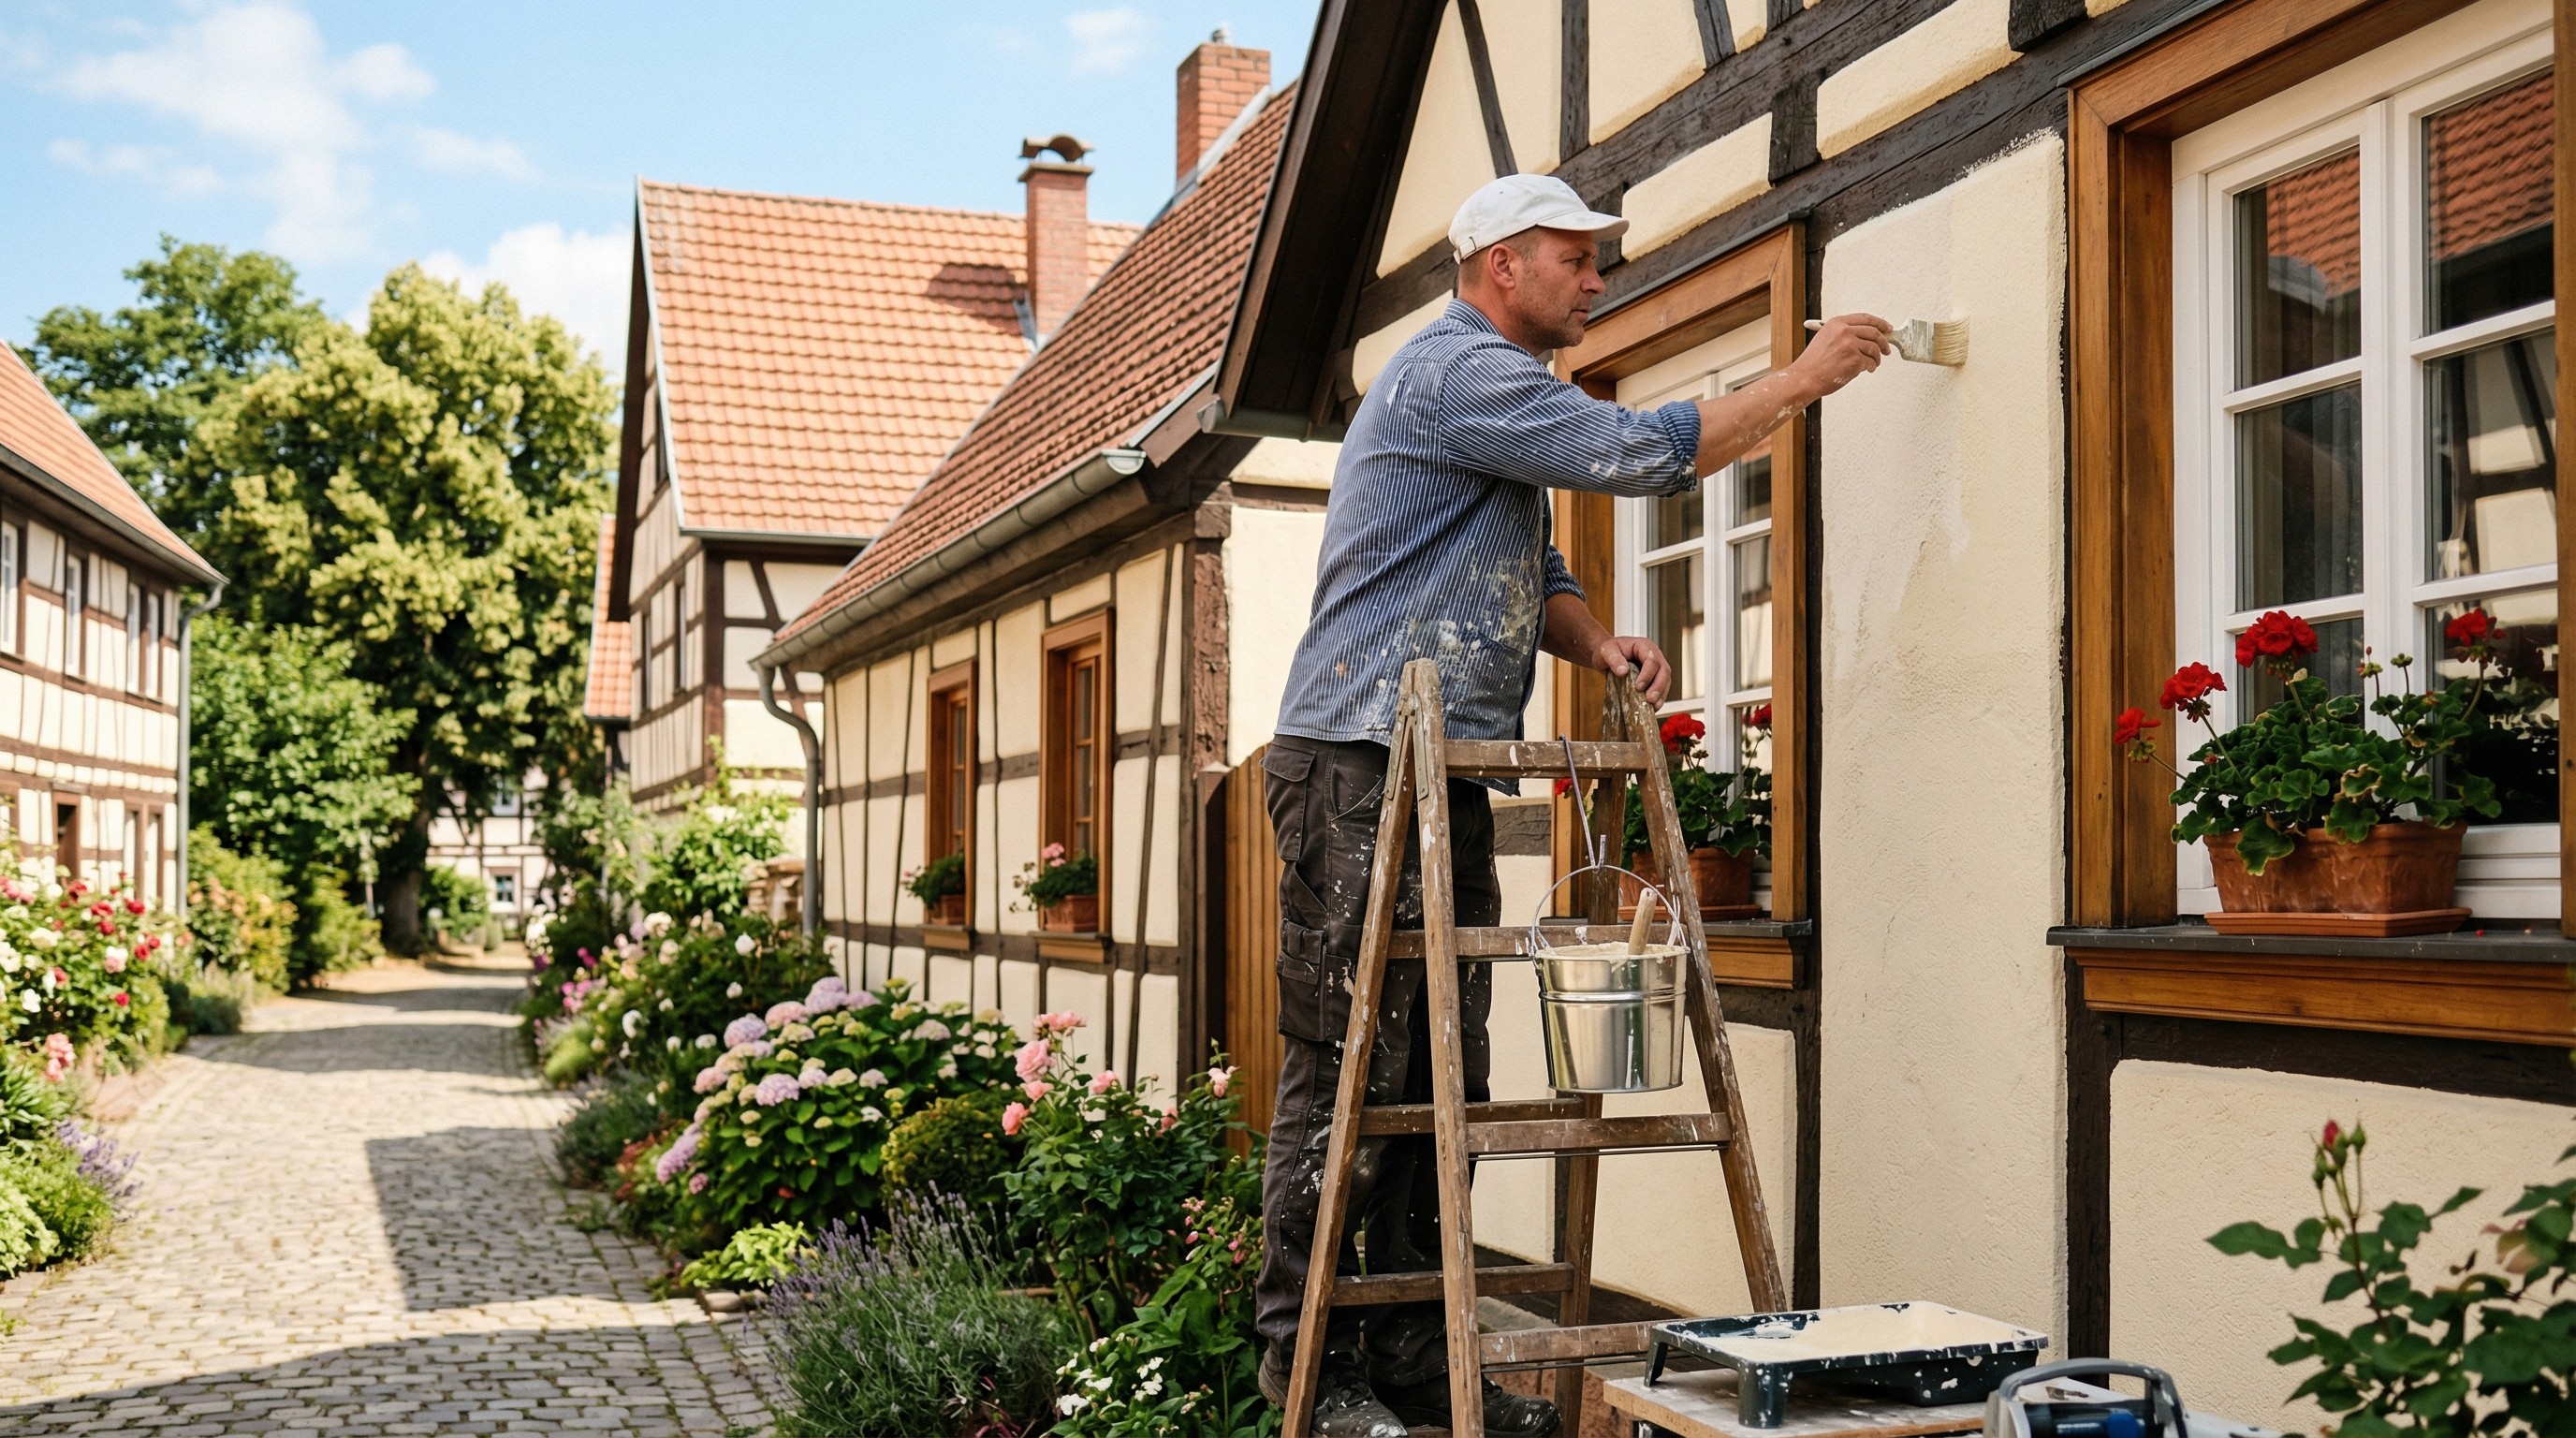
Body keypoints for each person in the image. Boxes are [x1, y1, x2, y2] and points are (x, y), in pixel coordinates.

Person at [1253, 171, 1892, 1438]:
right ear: (1502, 265)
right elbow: (1637, 453)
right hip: (1358, 764)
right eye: (1576, 260)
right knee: (1350, 1070)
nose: (1596, 283)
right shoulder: (1458, 372)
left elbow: (1529, 564)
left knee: (1440, 1072)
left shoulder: (1487, 401)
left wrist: (1594, 642)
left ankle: (1419, 1368)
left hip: (1439, 771)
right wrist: (1802, 379)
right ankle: (1310, 1373)